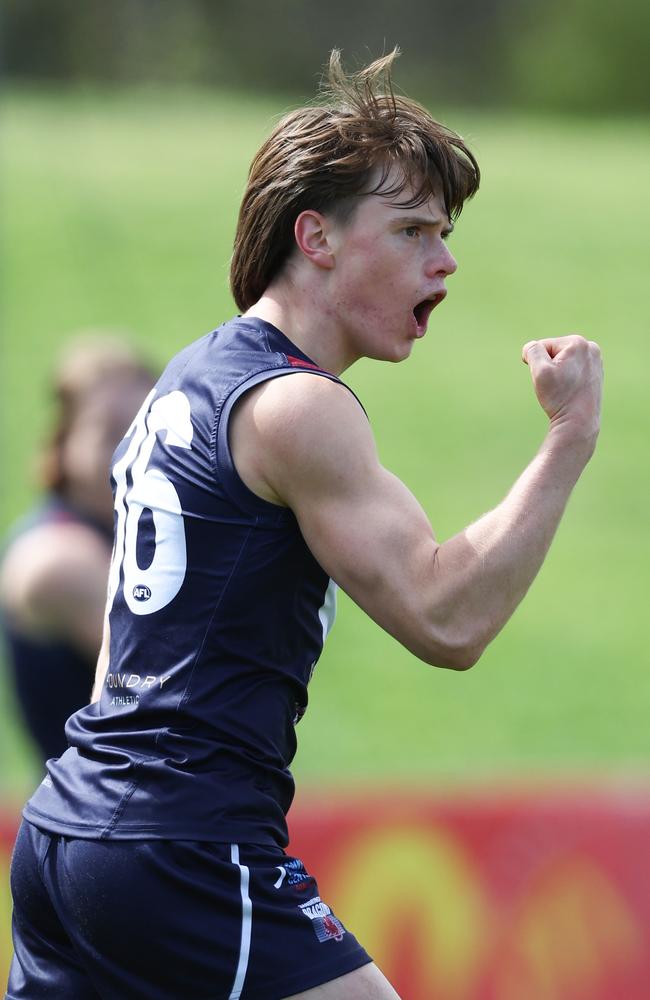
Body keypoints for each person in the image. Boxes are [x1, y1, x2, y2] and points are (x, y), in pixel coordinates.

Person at [6, 50, 602, 1000]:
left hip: (67, 838)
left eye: (444, 234)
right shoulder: (298, 406)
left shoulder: (193, 375)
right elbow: (447, 619)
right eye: (411, 230)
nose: (443, 262)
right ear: (315, 237)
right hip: (184, 845)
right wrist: (570, 437)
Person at [0, 337, 156, 762]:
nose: (136, 452)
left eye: (149, 431)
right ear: (63, 442)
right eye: (111, 433)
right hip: (90, 823)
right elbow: (161, 679)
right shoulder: (52, 557)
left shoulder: (135, 536)